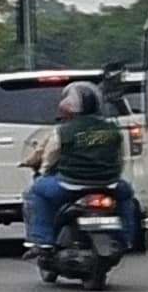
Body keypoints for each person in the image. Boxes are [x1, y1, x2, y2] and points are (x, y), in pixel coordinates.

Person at [21, 80, 141, 250]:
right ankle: (126, 238)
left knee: (36, 192)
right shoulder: (112, 129)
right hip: (109, 183)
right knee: (127, 196)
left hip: (70, 184)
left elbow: (50, 157)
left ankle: (42, 240)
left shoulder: (63, 130)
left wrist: (43, 173)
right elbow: (119, 157)